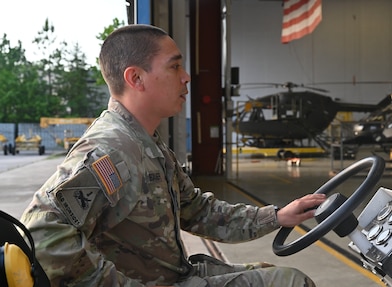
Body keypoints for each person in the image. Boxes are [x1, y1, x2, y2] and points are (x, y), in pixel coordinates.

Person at [20, 24, 326, 287]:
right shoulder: (111, 151)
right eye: (174, 66)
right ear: (136, 79)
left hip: (178, 275)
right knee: (291, 282)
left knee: (273, 276)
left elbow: (197, 211)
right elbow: (42, 230)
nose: (186, 77)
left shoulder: (145, 143)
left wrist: (276, 216)